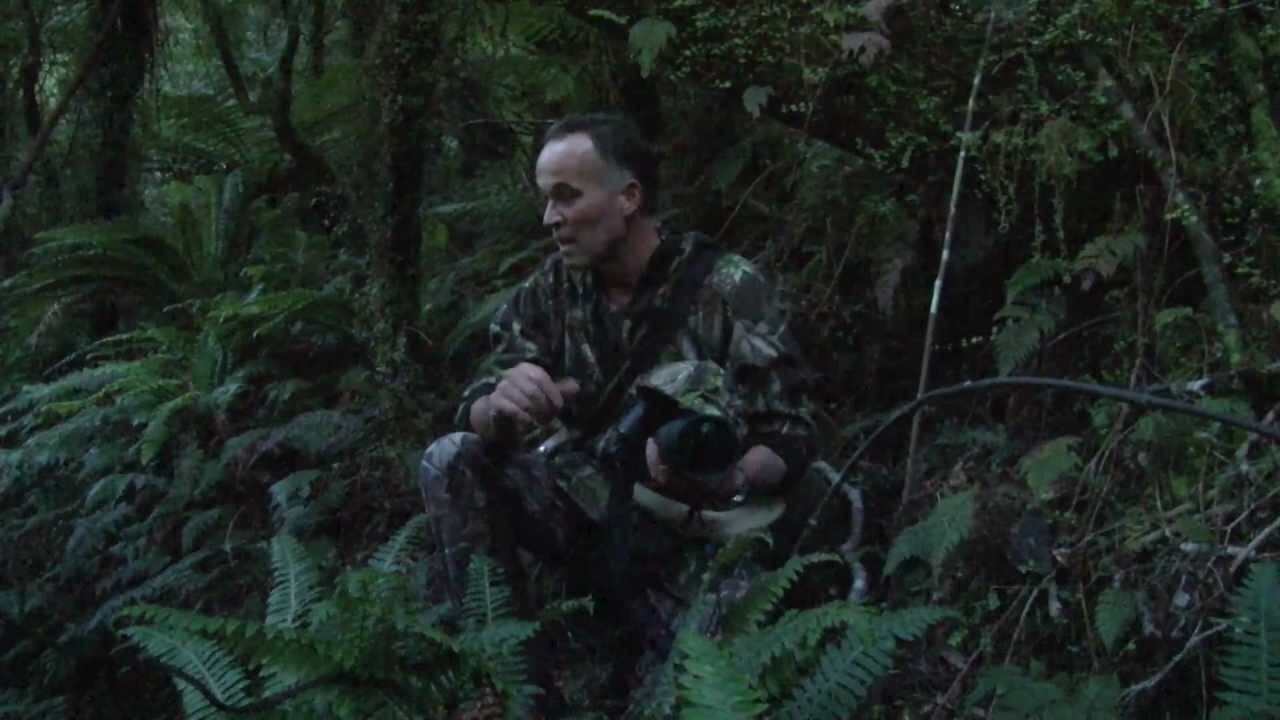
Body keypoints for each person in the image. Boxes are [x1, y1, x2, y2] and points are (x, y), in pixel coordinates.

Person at [418, 112, 816, 689]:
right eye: (545, 200)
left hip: (697, 530)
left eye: (566, 197)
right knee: (450, 457)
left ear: (629, 197)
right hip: (592, 505)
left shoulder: (728, 288)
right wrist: (501, 406)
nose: (550, 218)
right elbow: (477, 404)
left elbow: (792, 433)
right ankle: (508, 682)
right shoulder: (550, 290)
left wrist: (722, 477)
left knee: (723, 683)